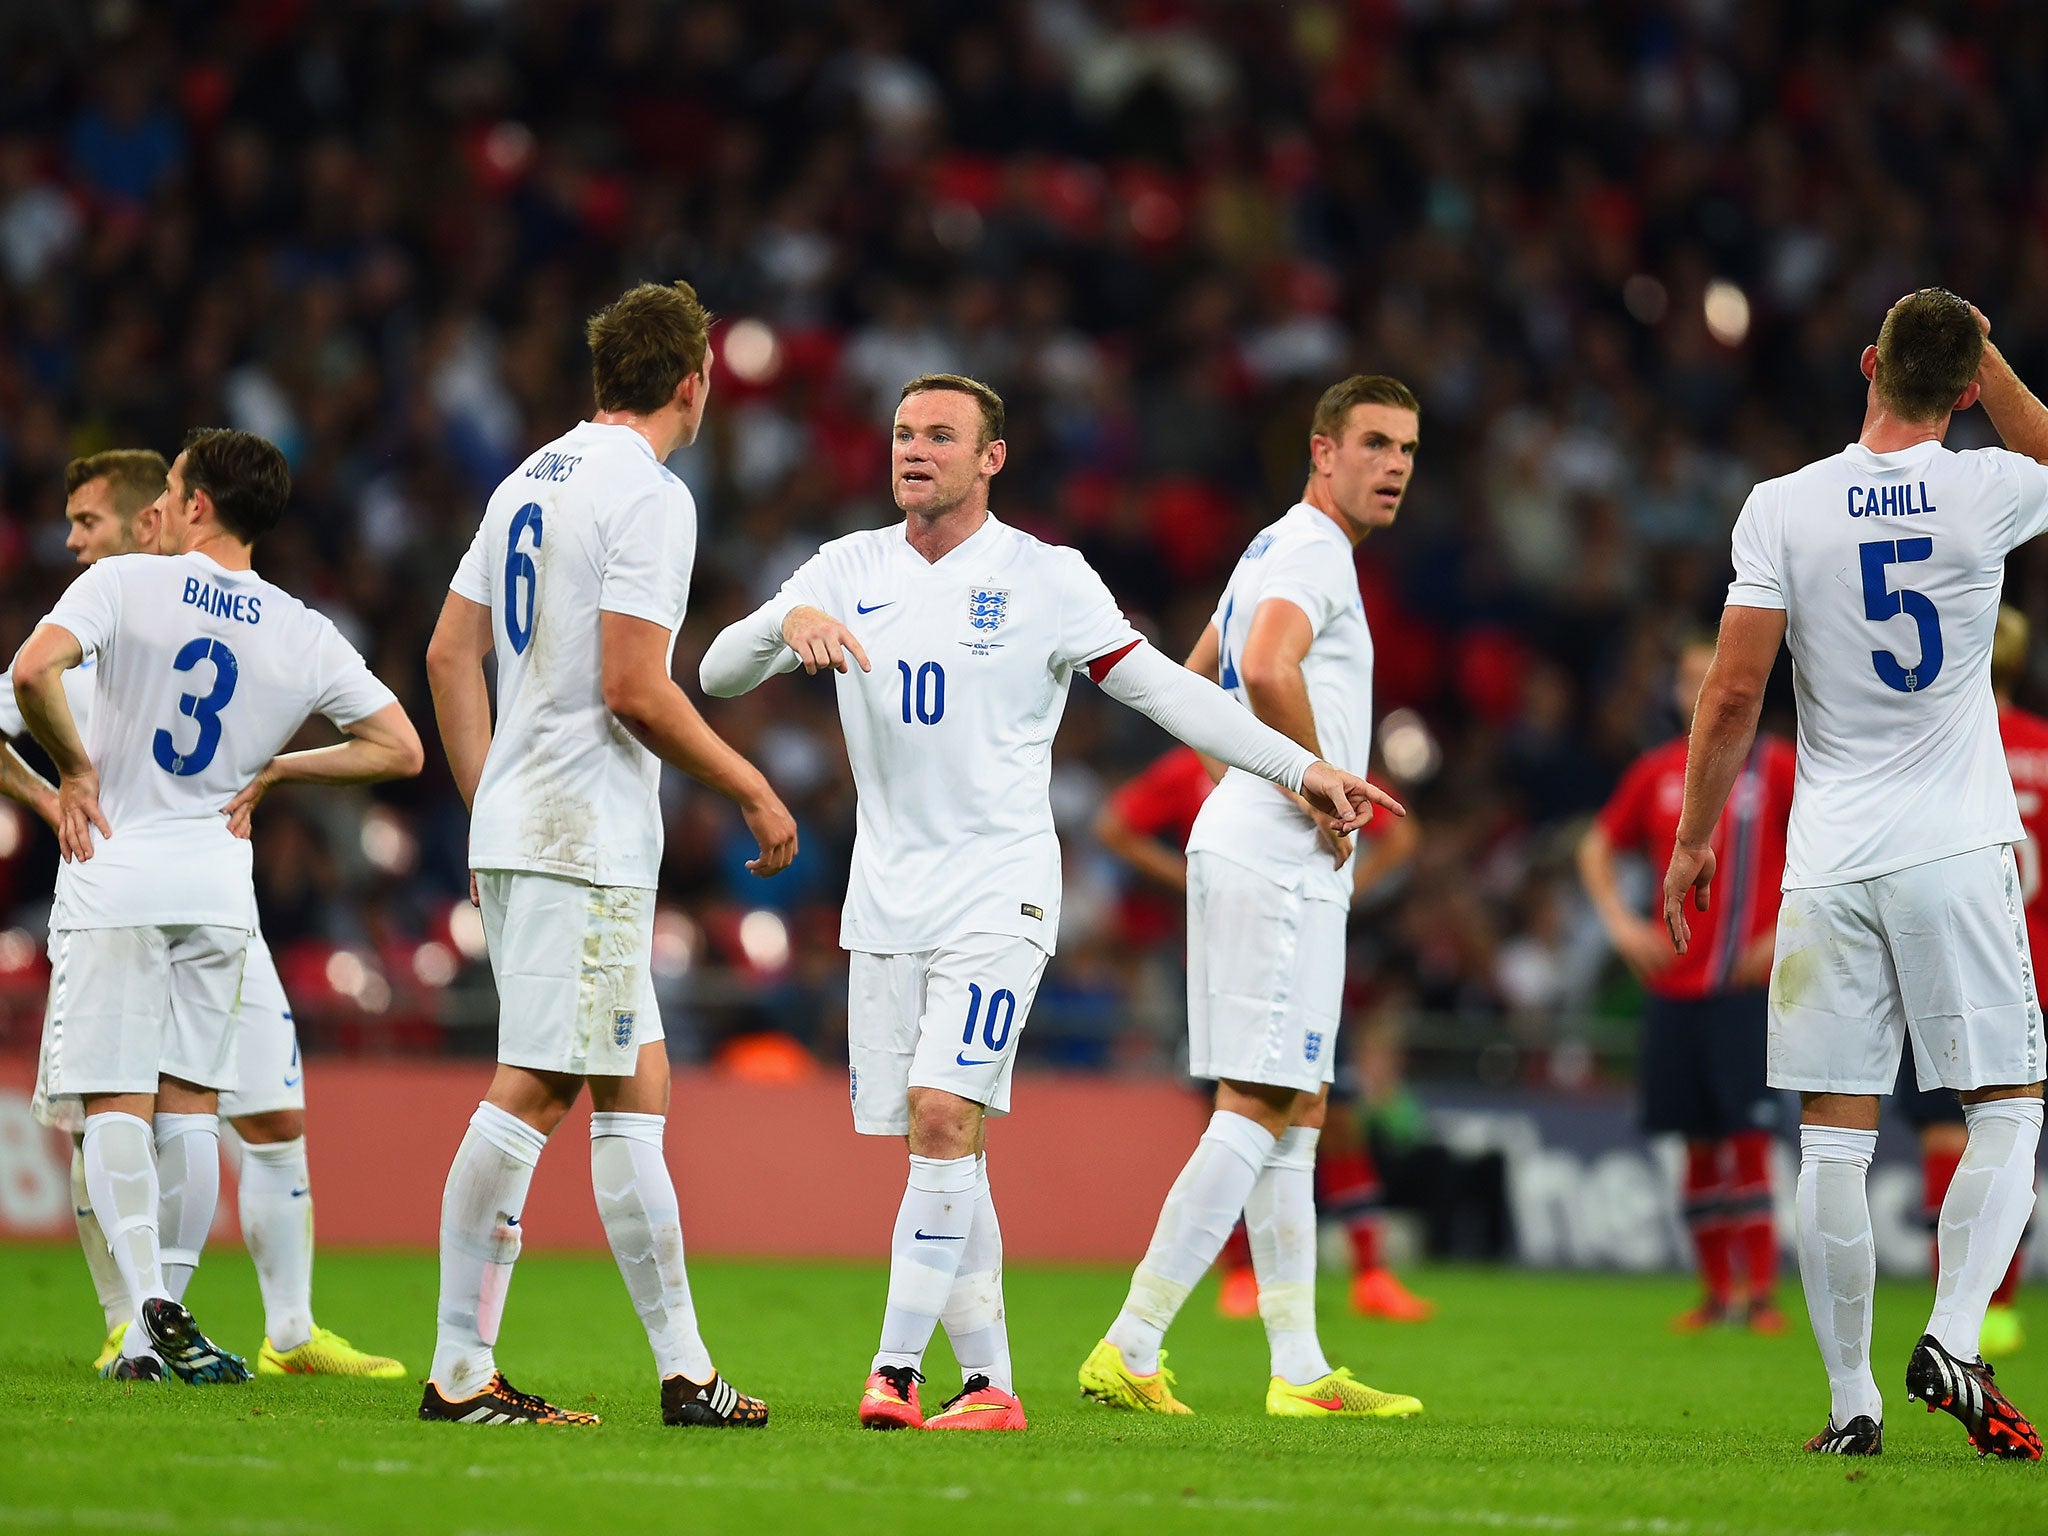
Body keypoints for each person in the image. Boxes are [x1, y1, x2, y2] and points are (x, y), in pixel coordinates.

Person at [700, 372, 1392, 1433]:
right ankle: (992, 1389)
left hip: (1000, 892)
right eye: (900, 434)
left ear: (991, 459)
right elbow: (713, 671)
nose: (913, 450)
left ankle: (894, 1373)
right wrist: (784, 618)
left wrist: (1299, 769)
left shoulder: (1045, 578)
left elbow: (1170, 690)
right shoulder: (846, 568)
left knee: (943, 1116)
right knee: (943, 1144)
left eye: (940, 435)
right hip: (885, 903)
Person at [1664, 289, 2048, 1459]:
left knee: (1833, 1137)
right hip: (1950, 847)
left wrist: (1690, 839)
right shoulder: (1989, 486)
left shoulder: (1780, 506)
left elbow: (1731, 692)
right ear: (1969, 388)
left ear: (1867, 363)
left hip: (1826, 863)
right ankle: (1948, 1334)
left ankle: (1849, 1408)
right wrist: (1994, 366)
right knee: (2006, 1108)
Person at [422, 280, 794, 1429]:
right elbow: (637, 687)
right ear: (695, 382)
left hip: (542, 826)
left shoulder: (527, 476)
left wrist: (493, 799)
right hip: (579, 836)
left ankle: (685, 1373)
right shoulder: (650, 494)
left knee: (638, 1084)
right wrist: (748, 781)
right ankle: (458, 1372)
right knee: (533, 1089)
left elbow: (448, 654)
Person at [12, 428, 423, 1385]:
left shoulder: (126, 583)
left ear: (193, 503)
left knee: (116, 1098)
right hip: (216, 887)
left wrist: (72, 770)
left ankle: (143, 1320)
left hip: (115, 870)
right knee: (193, 1108)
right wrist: (281, 767)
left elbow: (33, 671)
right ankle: (175, 1314)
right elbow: (399, 749)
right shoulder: (301, 628)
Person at [1079, 374, 1427, 1420]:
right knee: (1258, 1102)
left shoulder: (1270, 546)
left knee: (1299, 1105)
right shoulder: (1314, 551)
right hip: (1274, 846)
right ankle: (1130, 1344)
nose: (1395, 464)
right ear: (1321, 451)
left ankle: (1297, 1367)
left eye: (1407, 448)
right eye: (1372, 443)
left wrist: (1275, 775)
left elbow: (1195, 685)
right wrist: (1317, 782)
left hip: (1250, 837)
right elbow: (1267, 666)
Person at [1096, 744, 1432, 1322]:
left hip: (1307, 954)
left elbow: (1403, 834)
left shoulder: (1312, 761)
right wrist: (1191, 878)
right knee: (1228, 1111)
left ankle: (1370, 1274)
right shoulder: (1192, 763)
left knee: (1337, 1112)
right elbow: (1114, 826)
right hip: (1222, 956)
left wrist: (1347, 888)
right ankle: (1240, 1275)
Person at [1578, 634, 1794, 1335]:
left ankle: (1760, 1297)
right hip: (1672, 988)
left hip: (1744, 987)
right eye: (1689, 678)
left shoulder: (1777, 768)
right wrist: (1617, 921)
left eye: (1711, 678)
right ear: (1675, 692)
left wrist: (1783, 929)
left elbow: (1831, 846)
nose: (1698, 690)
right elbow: (1595, 846)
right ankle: (1715, 1294)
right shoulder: (1658, 771)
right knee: (1696, 1142)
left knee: (1749, 1138)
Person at [1893, 603, 2047, 1359]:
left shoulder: (1940, 748)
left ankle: (1946, 1314)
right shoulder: (2045, 750)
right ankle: (1998, 1312)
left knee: (1945, 1143)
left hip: (1949, 967)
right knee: (2013, 1142)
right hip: (2034, 977)